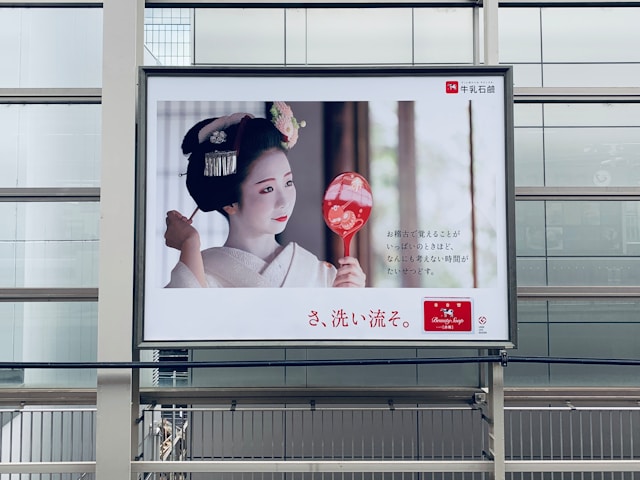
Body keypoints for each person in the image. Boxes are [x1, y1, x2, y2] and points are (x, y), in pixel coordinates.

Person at [164, 102, 366, 288]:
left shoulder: (321, 274)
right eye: (267, 189)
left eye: (288, 182)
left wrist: (352, 299)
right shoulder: (200, 271)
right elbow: (186, 322)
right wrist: (189, 243)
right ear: (230, 202)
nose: (284, 200)